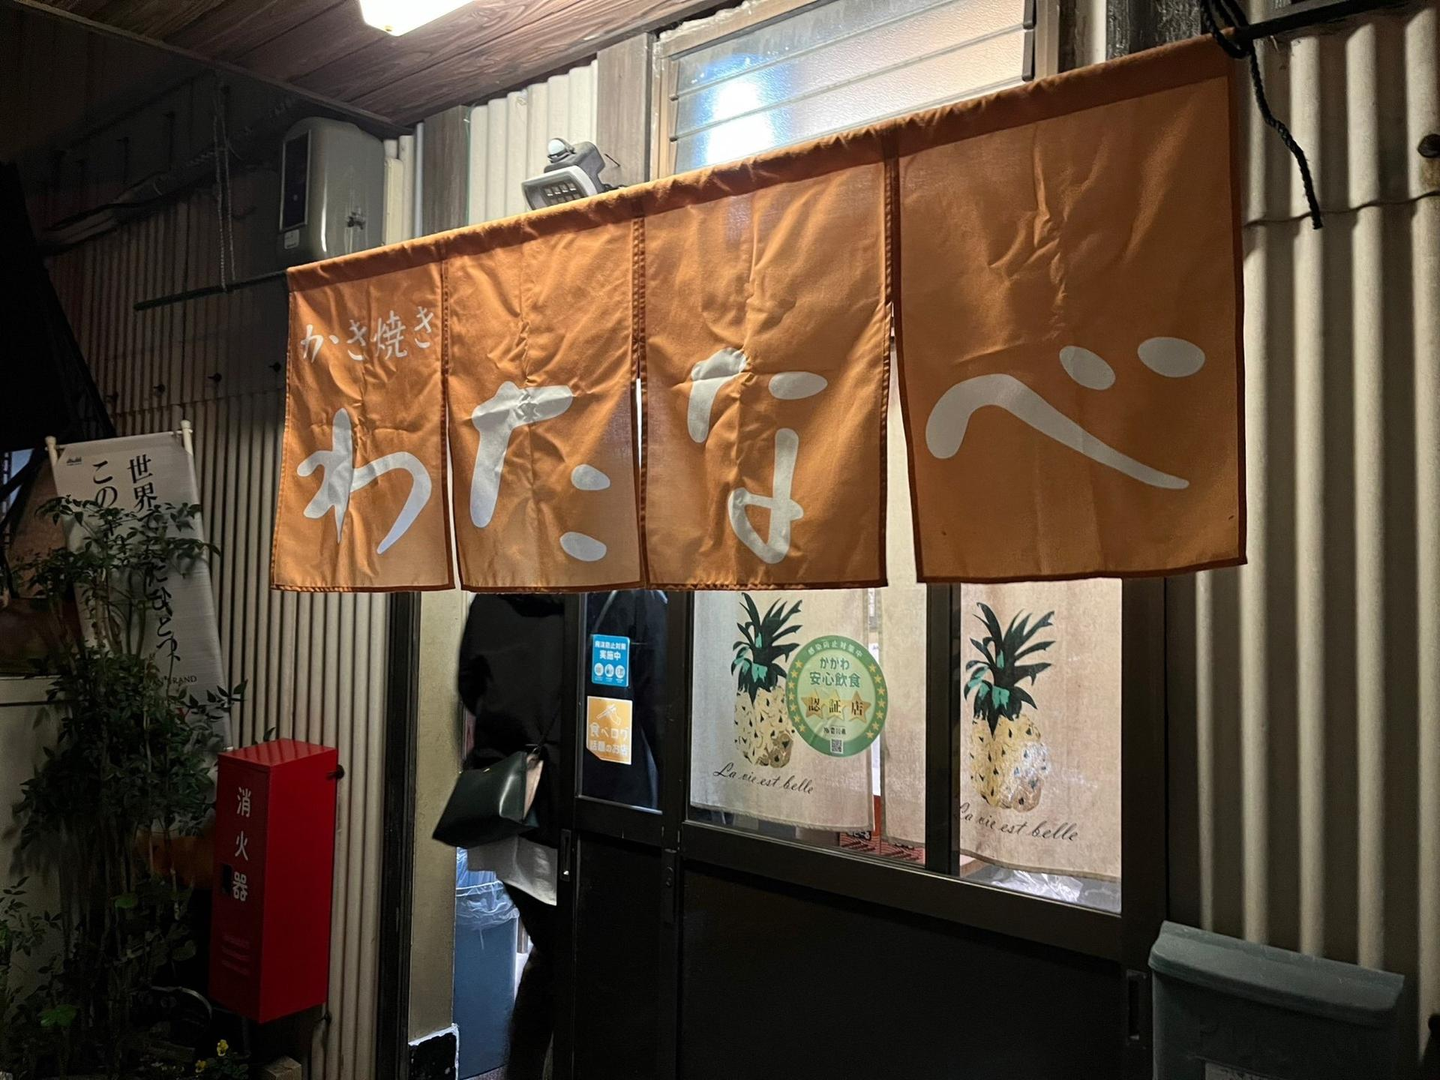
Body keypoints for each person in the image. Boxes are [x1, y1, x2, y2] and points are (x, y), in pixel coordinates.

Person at [458, 594, 564, 1080]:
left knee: (554, 955)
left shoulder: (490, 597)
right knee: (572, 962)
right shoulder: (608, 593)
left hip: (504, 801)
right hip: (567, 808)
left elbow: (469, 688)